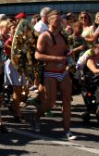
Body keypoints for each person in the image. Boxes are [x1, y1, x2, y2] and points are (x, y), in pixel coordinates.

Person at [32, 10, 77, 140]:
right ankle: (36, 118)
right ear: (49, 20)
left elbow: (67, 52)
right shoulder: (44, 36)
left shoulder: (63, 36)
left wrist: (70, 56)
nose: (59, 22)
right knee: (50, 102)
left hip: (63, 72)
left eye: (60, 20)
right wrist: (56, 59)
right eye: (56, 20)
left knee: (67, 101)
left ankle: (67, 130)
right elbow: (37, 55)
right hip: (49, 72)